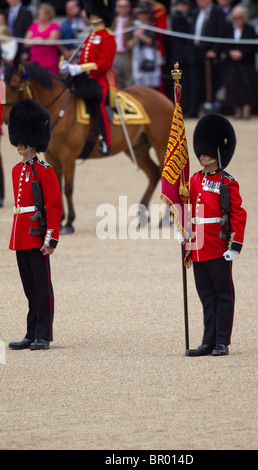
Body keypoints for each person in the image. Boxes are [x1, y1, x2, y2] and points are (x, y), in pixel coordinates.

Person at [179, 113, 247, 356]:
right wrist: (184, 233)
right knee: (206, 295)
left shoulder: (227, 182)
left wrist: (235, 245)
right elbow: (189, 207)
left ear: (217, 152)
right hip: (198, 246)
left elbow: (238, 213)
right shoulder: (195, 179)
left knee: (223, 294)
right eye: (201, 151)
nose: (202, 155)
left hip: (218, 245)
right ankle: (208, 340)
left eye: (206, 152)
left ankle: (221, 341)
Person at [7, 99, 63, 351]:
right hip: (21, 235)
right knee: (29, 288)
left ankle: (44, 333)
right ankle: (31, 332)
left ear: (33, 142)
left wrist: (50, 240)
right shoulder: (16, 170)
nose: (19, 145)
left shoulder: (45, 170)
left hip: (37, 235)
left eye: (23, 141)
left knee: (42, 286)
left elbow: (53, 208)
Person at [59, 0, 117, 155]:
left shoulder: (108, 37)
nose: (91, 15)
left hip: (101, 81)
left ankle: (106, 142)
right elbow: (84, 59)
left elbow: (104, 65)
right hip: (86, 79)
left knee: (98, 106)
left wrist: (80, 68)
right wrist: (71, 67)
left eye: (95, 13)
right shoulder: (91, 35)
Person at [188, 0, 226, 117]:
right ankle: (194, 110)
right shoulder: (195, 12)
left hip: (210, 53)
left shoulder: (217, 12)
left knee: (211, 82)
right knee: (195, 82)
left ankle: (211, 109)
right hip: (196, 52)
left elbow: (220, 32)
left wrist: (215, 50)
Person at [224, 6, 258, 119]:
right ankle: (237, 111)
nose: (238, 20)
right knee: (234, 87)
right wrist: (230, 52)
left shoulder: (250, 29)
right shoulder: (229, 29)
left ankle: (246, 110)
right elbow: (224, 44)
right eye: (235, 18)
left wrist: (242, 53)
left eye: (240, 17)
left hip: (246, 63)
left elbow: (252, 45)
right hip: (232, 64)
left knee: (247, 86)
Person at [127, 2, 161, 89]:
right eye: (139, 13)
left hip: (149, 57)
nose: (142, 16)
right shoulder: (133, 27)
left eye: (144, 13)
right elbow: (129, 45)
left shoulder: (152, 26)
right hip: (137, 57)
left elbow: (154, 43)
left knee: (150, 84)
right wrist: (136, 37)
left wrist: (141, 36)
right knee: (138, 83)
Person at [24, 3, 61, 76]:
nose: (39, 16)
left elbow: (52, 41)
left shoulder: (54, 26)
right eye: (39, 14)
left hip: (50, 63)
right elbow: (26, 42)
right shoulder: (33, 26)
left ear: (48, 15)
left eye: (42, 14)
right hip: (35, 62)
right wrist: (39, 40)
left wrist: (39, 40)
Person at [170, 0, 192, 116]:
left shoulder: (183, 17)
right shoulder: (178, 18)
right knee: (180, 83)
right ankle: (181, 107)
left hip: (182, 56)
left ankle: (182, 107)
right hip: (180, 56)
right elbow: (186, 35)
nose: (185, 7)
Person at [111, 0, 134, 89]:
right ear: (116, 8)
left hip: (128, 55)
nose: (123, 9)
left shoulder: (133, 21)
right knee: (116, 81)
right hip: (115, 55)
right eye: (120, 7)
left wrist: (134, 40)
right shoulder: (112, 21)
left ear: (129, 8)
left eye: (125, 7)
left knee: (129, 81)